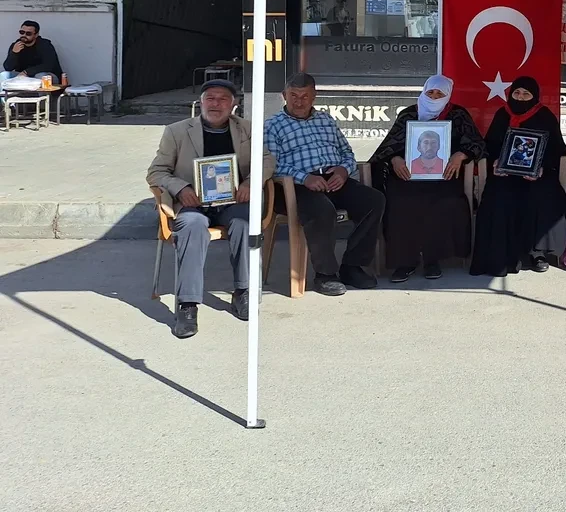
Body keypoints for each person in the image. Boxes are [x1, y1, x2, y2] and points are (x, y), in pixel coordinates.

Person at [146, 80, 275, 338]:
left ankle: (243, 292)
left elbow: (266, 160)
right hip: (192, 203)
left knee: (245, 223)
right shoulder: (176, 131)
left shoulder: (247, 129)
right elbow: (156, 172)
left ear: (234, 104)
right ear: (201, 102)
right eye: (210, 98)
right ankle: (188, 305)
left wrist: (251, 182)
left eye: (223, 99)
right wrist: (181, 188)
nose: (216, 104)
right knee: (192, 226)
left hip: (233, 201)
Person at [265, 72, 384, 295]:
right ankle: (325, 275)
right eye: (294, 96)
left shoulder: (326, 120)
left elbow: (347, 152)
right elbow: (271, 164)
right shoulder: (273, 125)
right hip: (294, 186)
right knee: (321, 210)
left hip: (333, 178)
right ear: (284, 95)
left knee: (373, 200)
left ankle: (352, 266)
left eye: (305, 96)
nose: (299, 102)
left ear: (314, 96)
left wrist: (343, 170)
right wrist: (305, 178)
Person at [368, 75, 485, 282]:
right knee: (400, 202)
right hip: (408, 176)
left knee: (444, 202)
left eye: (440, 93)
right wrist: (395, 159)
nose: (434, 97)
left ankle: (433, 259)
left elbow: (477, 144)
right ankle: (405, 261)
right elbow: (387, 147)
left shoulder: (458, 114)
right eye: (430, 92)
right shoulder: (408, 114)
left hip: (444, 176)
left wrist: (461, 155)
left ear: (448, 95)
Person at [470, 77, 566, 276]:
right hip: (505, 173)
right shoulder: (502, 114)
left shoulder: (545, 116)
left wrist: (542, 168)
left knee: (543, 194)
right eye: (517, 93)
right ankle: (499, 255)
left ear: (534, 96)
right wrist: (495, 163)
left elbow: (558, 150)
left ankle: (537, 253)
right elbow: (489, 145)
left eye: (526, 94)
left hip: (537, 174)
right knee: (498, 195)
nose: (521, 98)